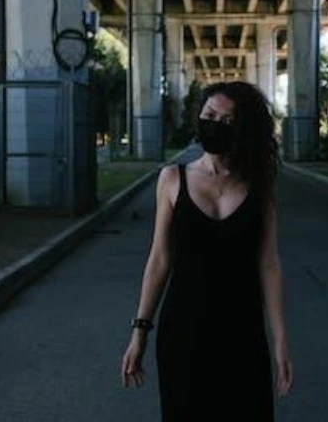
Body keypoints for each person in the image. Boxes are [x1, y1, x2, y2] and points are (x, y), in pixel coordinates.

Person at [121, 81, 293, 421]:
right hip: (183, 330)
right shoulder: (172, 179)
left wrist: (280, 338)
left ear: (243, 129)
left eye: (228, 120)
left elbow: (269, 263)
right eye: (210, 115)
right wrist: (139, 331)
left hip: (242, 332)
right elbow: (159, 258)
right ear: (199, 117)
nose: (216, 124)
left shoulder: (260, 183)